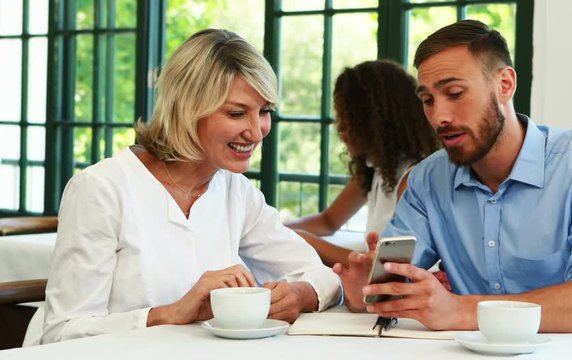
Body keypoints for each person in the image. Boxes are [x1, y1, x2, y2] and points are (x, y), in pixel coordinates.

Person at [334, 19, 572, 337]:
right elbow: (394, 283)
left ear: (505, 85)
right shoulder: (427, 181)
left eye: (455, 93)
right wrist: (369, 291)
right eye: (427, 100)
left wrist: (459, 309)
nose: (439, 116)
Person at [25, 29, 341, 345]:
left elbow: (323, 277)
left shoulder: (235, 191)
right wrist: (171, 313)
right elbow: (61, 332)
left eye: (265, 112)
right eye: (236, 113)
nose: (256, 132)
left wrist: (299, 295)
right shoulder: (101, 189)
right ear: (188, 108)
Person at [286, 60, 439, 267]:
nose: (340, 128)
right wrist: (274, 229)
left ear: (375, 122)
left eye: (347, 118)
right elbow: (328, 221)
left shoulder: (412, 177)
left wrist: (304, 240)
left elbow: (384, 267)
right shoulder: (376, 168)